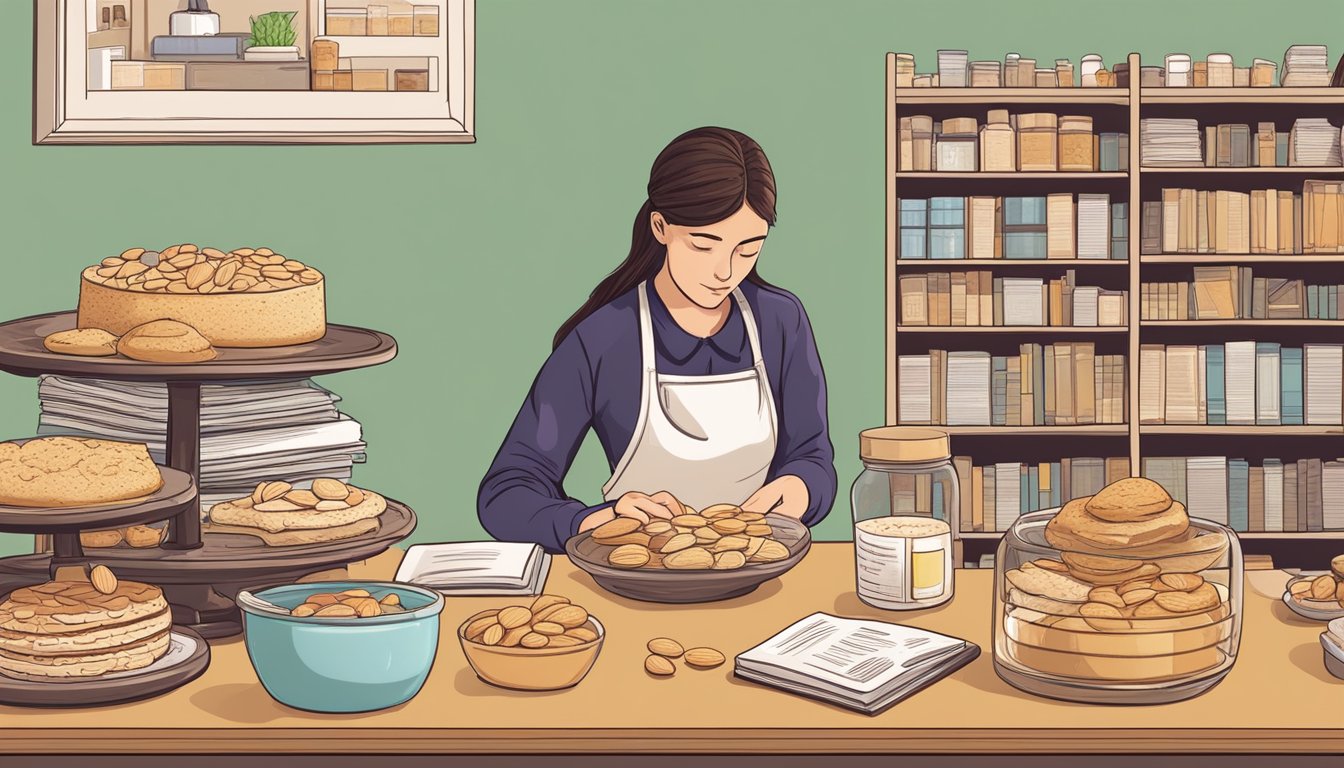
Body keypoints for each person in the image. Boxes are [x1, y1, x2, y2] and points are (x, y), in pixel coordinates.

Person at [478, 126, 835, 553]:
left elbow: (813, 457)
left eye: (748, 248)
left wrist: (802, 488)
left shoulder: (781, 320)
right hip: (636, 572)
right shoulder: (604, 338)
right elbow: (506, 492)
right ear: (661, 226)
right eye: (704, 245)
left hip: (757, 565)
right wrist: (594, 519)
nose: (725, 271)